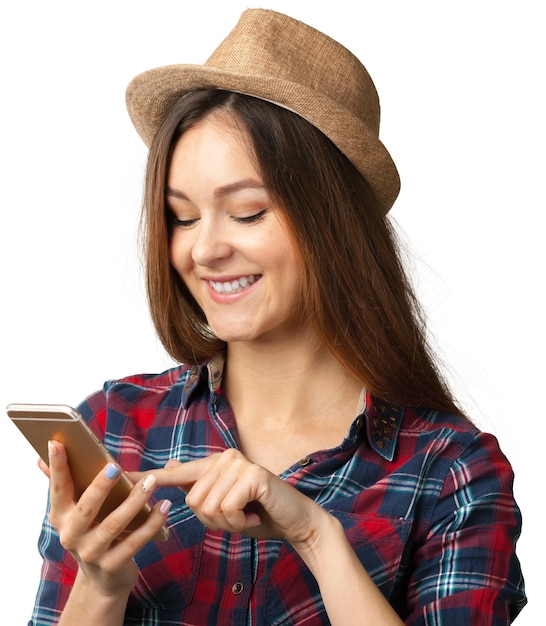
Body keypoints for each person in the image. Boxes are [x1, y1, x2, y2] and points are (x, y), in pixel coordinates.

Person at [29, 8, 526, 625]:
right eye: (182, 216)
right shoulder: (116, 429)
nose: (204, 249)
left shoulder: (451, 471)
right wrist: (100, 586)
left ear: (333, 224)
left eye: (247, 212)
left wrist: (317, 537)